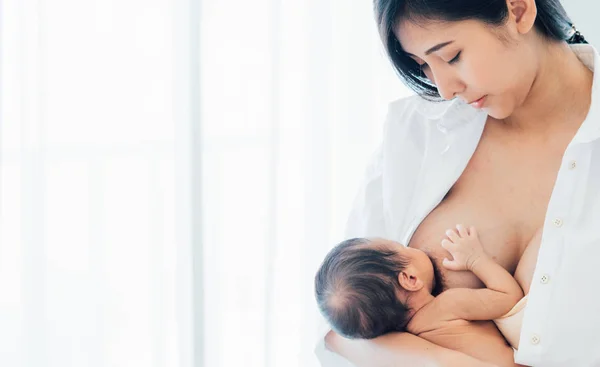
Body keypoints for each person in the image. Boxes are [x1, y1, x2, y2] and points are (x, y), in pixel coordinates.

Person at [315, 0, 600, 366]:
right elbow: (339, 334)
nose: (445, 89)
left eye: (451, 56)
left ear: (517, 10)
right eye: (422, 65)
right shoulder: (419, 131)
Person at [315, 226, 526, 366]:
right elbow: (510, 296)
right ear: (410, 278)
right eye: (401, 247)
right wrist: (475, 259)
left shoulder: (409, 340)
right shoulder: (449, 305)